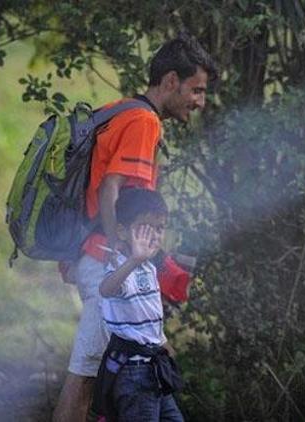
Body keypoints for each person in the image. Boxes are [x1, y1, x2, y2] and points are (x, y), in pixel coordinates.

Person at [53, 35, 215, 422]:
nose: (200, 101)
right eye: (197, 90)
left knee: (104, 382)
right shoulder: (143, 121)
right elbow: (110, 189)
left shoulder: (119, 110)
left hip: (91, 253)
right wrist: (121, 254)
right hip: (105, 260)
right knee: (85, 382)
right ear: (171, 80)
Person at [92, 188, 183, 421]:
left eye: (159, 228)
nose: (153, 235)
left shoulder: (149, 267)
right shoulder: (122, 266)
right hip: (134, 372)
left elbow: (147, 315)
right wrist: (134, 260)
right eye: (144, 228)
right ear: (122, 231)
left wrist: (164, 344)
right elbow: (107, 289)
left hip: (154, 366)